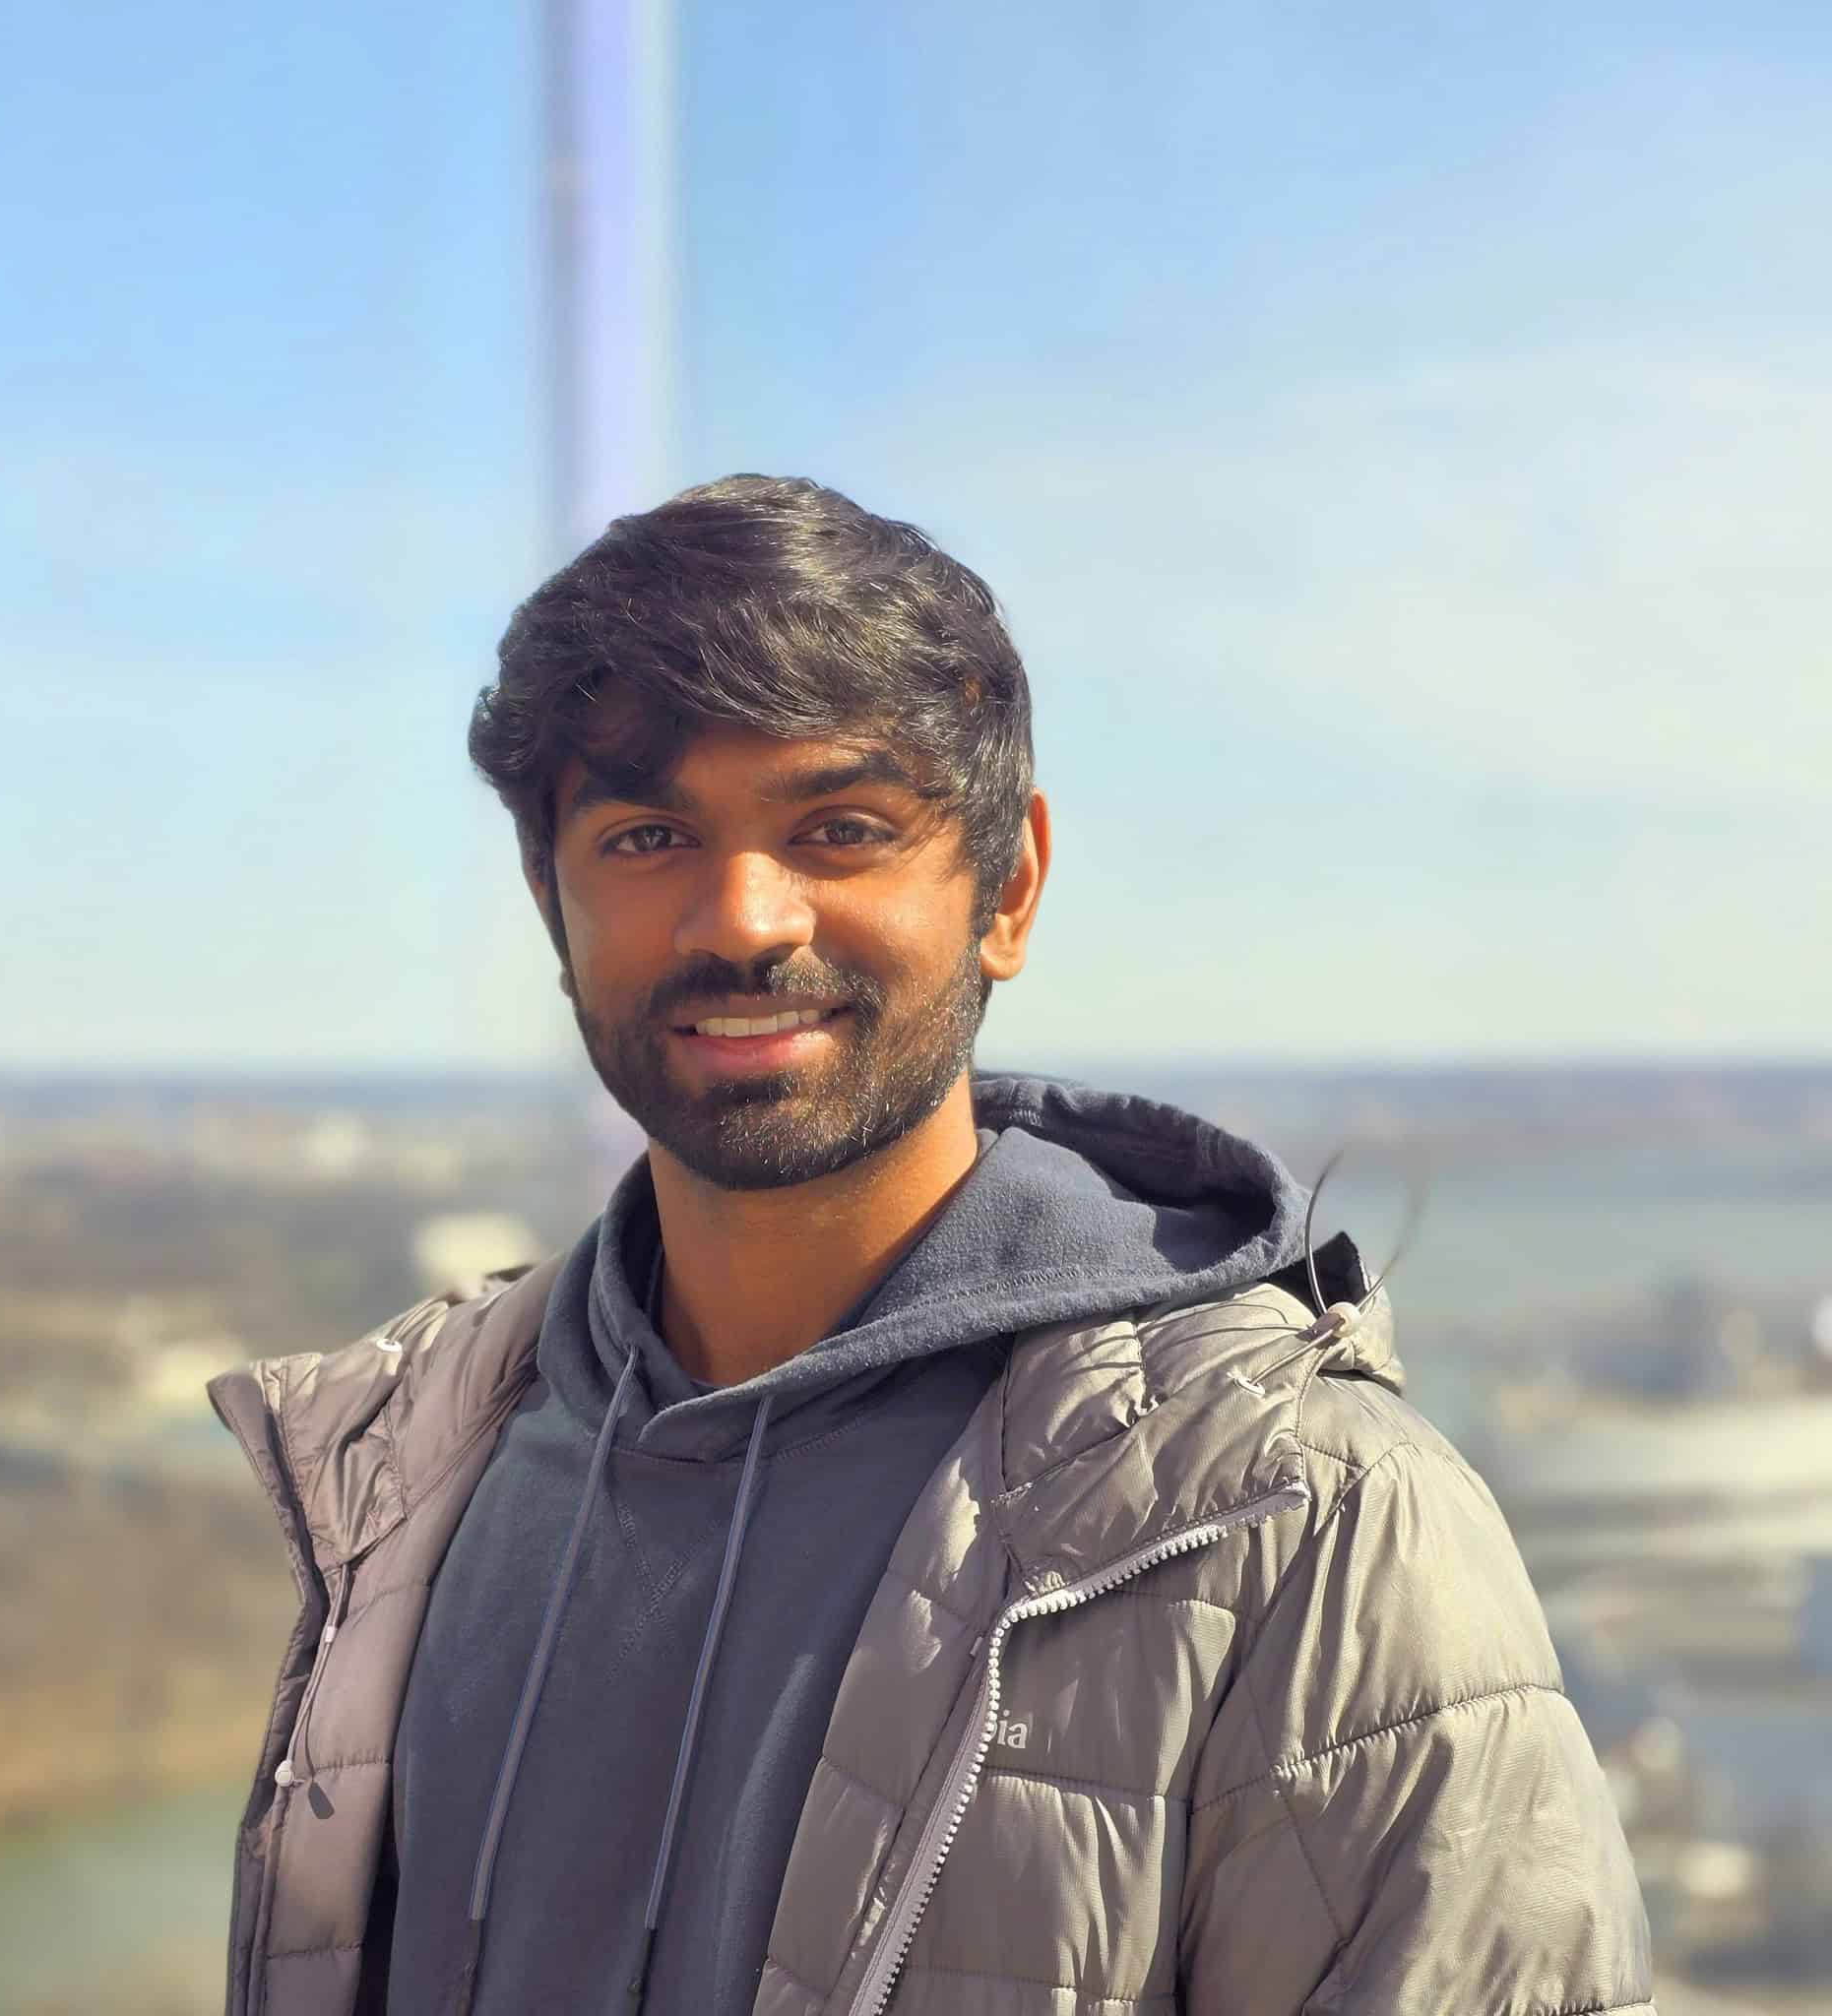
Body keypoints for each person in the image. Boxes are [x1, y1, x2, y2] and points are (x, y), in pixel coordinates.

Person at [209, 474, 1654, 2016]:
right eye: (647, 835)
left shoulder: (1301, 1526)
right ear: (553, 905)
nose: (743, 917)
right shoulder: (425, 1464)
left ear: (1009, 887)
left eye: (839, 829)